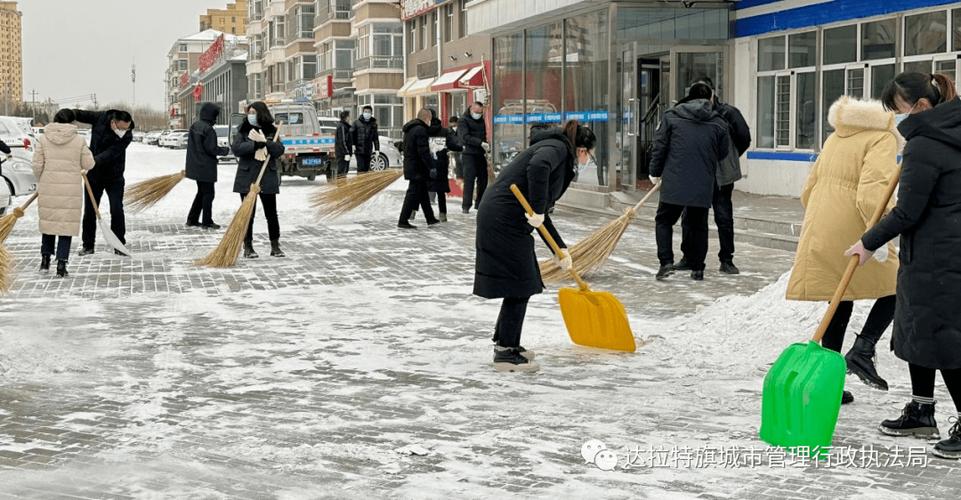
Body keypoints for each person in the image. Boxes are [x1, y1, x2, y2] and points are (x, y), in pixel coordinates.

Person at [846, 72, 961, 459]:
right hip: (938, 251)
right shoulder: (949, 131)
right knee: (920, 333)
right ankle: (921, 410)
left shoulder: (925, 144)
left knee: (944, 339)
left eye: (898, 110)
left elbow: (908, 211)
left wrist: (867, 241)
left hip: (938, 256)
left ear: (921, 107)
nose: (897, 118)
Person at [786, 96, 901, 405]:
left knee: (840, 296)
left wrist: (820, 218)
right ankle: (863, 349)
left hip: (822, 221)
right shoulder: (882, 137)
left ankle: (828, 383)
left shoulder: (837, 134)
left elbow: (808, 188)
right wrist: (878, 232)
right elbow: (873, 191)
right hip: (856, 223)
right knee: (899, 284)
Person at [474, 120, 596, 372]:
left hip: (507, 217)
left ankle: (506, 343)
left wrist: (560, 251)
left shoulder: (556, 148)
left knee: (523, 282)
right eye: (590, 155)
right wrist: (539, 209)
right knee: (522, 283)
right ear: (582, 150)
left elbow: (541, 214)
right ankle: (506, 353)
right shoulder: (557, 149)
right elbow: (538, 169)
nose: (587, 161)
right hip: (503, 219)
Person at [648, 86, 729, 281]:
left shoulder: (671, 116)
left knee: (664, 221)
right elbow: (723, 153)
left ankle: (666, 262)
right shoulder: (718, 122)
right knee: (698, 224)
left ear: (688, 96)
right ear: (709, 98)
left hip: (675, 180)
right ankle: (698, 267)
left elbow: (660, 146)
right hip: (703, 182)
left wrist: (654, 172)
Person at [676, 78, 752, 275]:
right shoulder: (686, 111)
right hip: (696, 173)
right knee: (689, 217)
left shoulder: (729, 113)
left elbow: (744, 138)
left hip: (722, 175)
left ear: (712, 93)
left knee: (723, 217)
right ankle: (688, 257)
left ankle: (726, 259)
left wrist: (729, 157)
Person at [31, 109, 95, 278]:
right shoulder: (79, 140)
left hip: (48, 187)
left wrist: (42, 179)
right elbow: (89, 164)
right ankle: (61, 264)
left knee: (49, 223)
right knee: (65, 226)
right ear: (72, 122)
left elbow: (37, 165)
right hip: (70, 190)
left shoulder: (43, 139)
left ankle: (45, 260)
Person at [73, 108, 135, 256]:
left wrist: (92, 161)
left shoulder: (127, 135)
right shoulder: (100, 118)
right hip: (94, 176)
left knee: (117, 209)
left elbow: (112, 152)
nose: (124, 131)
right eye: (121, 128)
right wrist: (68, 114)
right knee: (90, 211)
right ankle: (88, 245)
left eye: (126, 128)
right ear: (114, 122)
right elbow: (81, 114)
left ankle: (119, 245)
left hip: (115, 177)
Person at [232, 101, 286, 259]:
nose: (251, 115)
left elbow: (279, 150)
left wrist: (266, 143)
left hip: (267, 176)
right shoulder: (243, 130)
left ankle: (275, 245)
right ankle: (248, 246)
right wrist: (255, 145)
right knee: (248, 213)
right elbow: (236, 149)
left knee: (271, 213)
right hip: (247, 176)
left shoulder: (272, 131)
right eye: (249, 112)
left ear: (261, 113)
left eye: (254, 112)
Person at [185, 102, 230, 230]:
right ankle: (207, 221)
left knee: (201, 193)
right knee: (209, 194)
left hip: (195, 165)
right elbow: (211, 149)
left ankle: (192, 219)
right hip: (206, 167)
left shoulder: (195, 126)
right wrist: (224, 151)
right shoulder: (208, 129)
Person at [398, 109, 439, 229]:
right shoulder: (420, 130)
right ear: (426, 118)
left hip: (412, 165)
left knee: (422, 193)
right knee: (412, 194)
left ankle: (430, 218)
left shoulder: (411, 128)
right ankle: (403, 220)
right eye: (430, 119)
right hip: (417, 167)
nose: (430, 122)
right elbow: (423, 151)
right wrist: (431, 166)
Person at [427, 109, 462, 222]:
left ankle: (412, 211)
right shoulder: (444, 131)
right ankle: (443, 214)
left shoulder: (423, 130)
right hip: (441, 164)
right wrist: (462, 148)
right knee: (440, 190)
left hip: (426, 163)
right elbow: (451, 144)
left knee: (420, 188)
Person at [458, 101, 490, 214]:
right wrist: (480, 143)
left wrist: (486, 144)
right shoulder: (463, 120)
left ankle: (479, 203)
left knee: (483, 179)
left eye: (480, 112)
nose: (478, 114)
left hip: (480, 153)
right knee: (469, 180)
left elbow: (485, 134)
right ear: (471, 109)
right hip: (468, 154)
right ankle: (466, 206)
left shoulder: (482, 120)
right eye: (476, 112)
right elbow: (465, 137)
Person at [351, 105, 380, 173]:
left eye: (368, 112)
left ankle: (365, 182)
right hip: (359, 150)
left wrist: (377, 149)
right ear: (363, 112)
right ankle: (360, 182)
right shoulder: (356, 123)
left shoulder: (373, 124)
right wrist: (353, 144)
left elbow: (375, 138)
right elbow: (351, 134)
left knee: (366, 169)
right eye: (365, 112)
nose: (367, 113)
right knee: (361, 168)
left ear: (371, 113)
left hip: (368, 150)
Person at [334, 110, 353, 178]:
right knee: (341, 172)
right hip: (342, 154)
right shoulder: (342, 127)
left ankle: (342, 186)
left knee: (344, 172)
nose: (350, 118)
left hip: (344, 154)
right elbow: (342, 141)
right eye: (349, 116)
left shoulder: (345, 126)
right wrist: (346, 153)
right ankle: (340, 187)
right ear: (346, 117)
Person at [448, 116, 462, 180]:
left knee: (462, 165)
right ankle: (459, 178)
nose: (453, 125)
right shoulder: (449, 131)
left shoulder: (462, 130)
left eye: (454, 124)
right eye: (452, 124)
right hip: (454, 151)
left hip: (462, 150)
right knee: (457, 165)